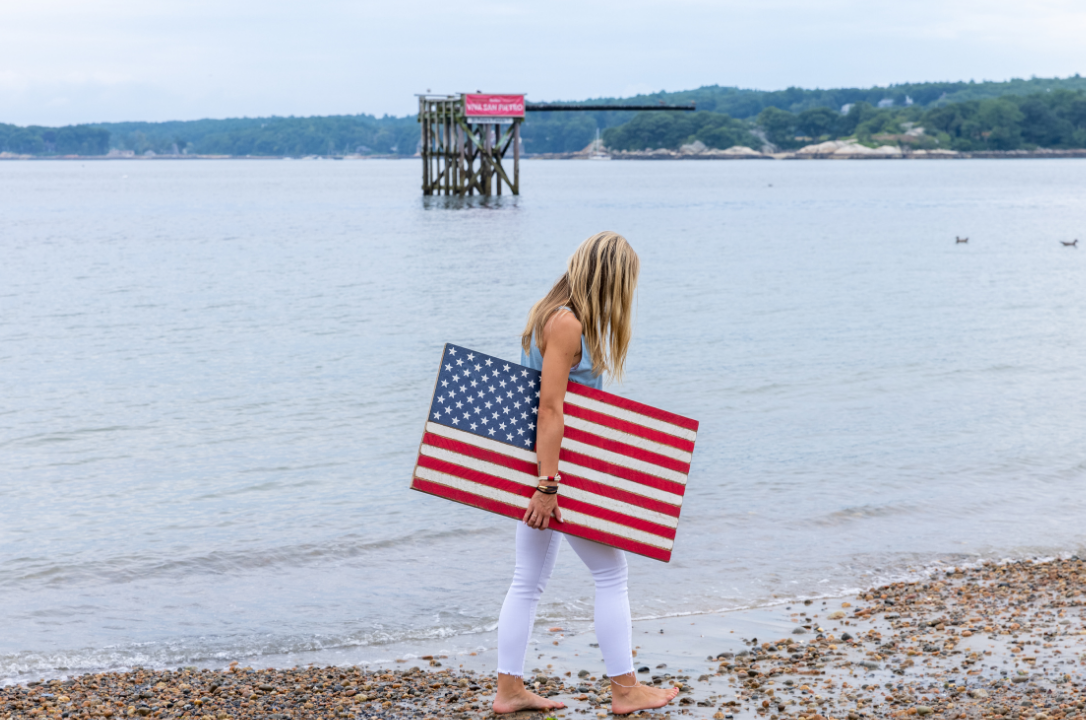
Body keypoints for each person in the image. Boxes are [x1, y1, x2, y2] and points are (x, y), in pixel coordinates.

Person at [492, 231, 680, 715]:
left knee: (527, 580)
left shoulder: (551, 313)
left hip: (540, 465)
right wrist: (548, 487)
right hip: (558, 471)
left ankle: (509, 690)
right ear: (609, 279)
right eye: (626, 282)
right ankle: (625, 689)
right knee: (611, 573)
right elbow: (550, 408)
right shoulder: (568, 324)